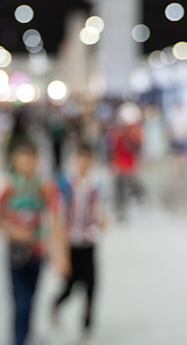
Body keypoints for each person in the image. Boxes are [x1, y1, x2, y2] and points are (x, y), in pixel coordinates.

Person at [0, 140, 68, 345]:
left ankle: (26, 335)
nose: (27, 164)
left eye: (31, 159)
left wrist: (59, 254)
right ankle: (18, 339)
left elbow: (55, 219)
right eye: (22, 159)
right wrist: (15, 232)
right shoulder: (7, 187)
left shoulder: (44, 187)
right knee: (20, 302)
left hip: (37, 252)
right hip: (15, 252)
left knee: (32, 300)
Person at [52, 143, 109, 342]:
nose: (84, 163)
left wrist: (102, 221)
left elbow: (100, 211)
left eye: (87, 159)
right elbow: (58, 218)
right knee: (70, 286)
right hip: (71, 244)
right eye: (80, 158)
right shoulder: (65, 185)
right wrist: (60, 254)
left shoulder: (96, 184)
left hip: (89, 243)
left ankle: (86, 327)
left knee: (92, 287)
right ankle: (56, 305)